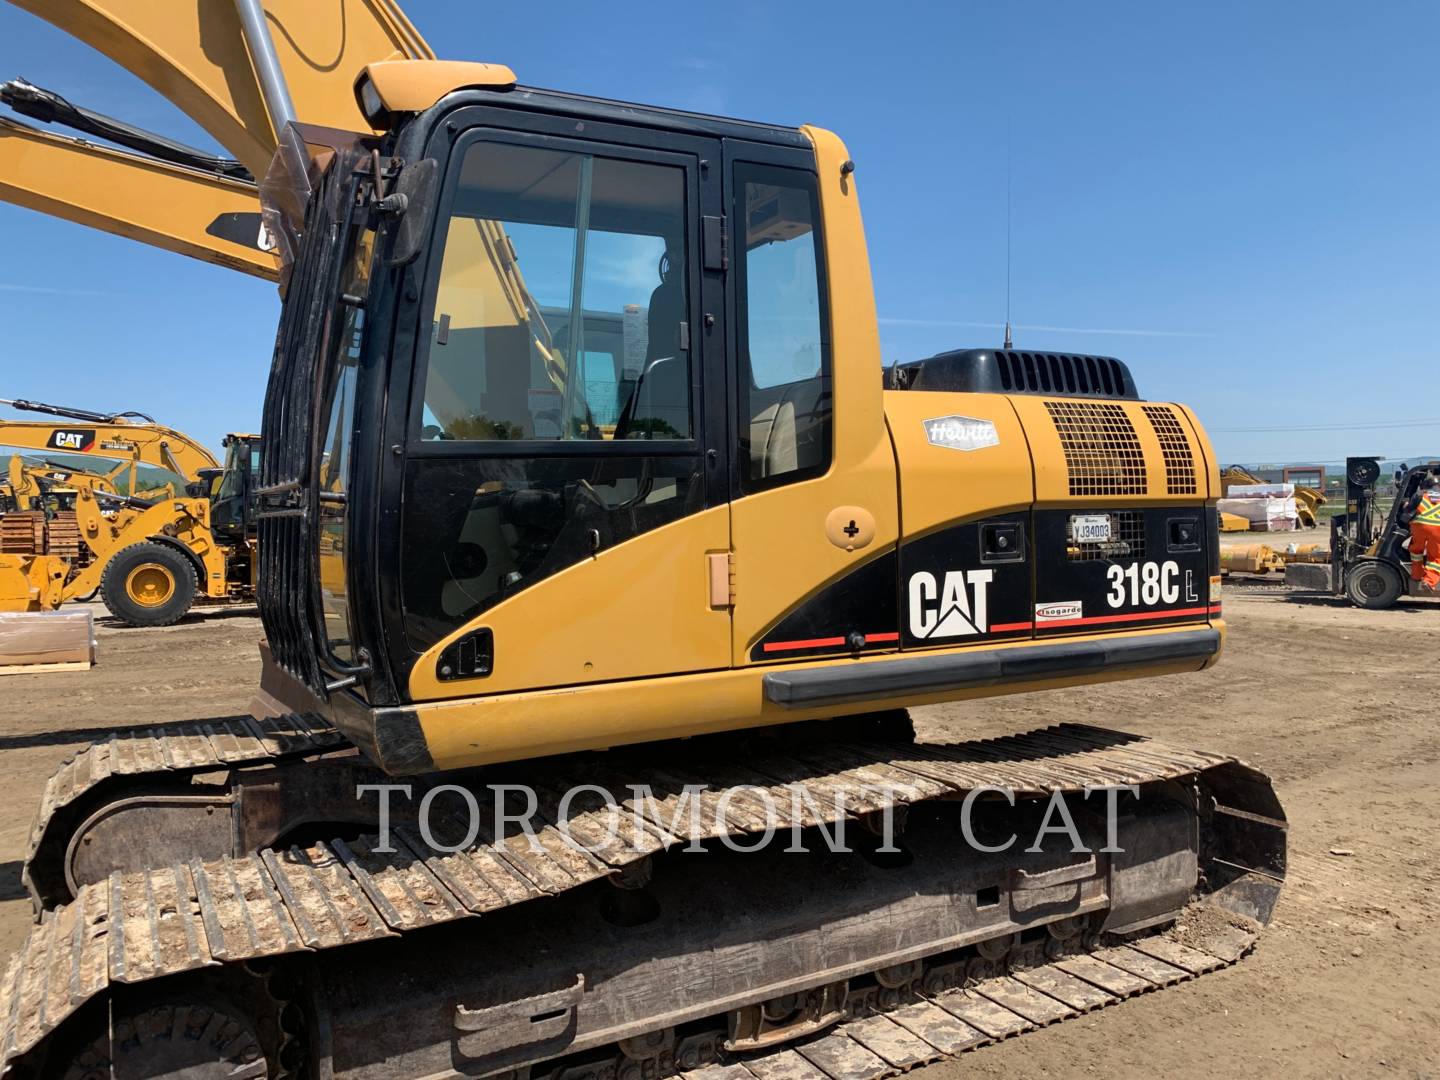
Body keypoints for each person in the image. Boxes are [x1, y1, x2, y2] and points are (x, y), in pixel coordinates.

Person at [1407, 472, 1440, 589]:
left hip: (1419, 527)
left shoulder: (1420, 495)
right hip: (1437, 529)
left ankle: (1416, 576)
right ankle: (1429, 581)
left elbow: (1408, 511)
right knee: (1436, 557)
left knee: (1416, 551)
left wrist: (1405, 505)